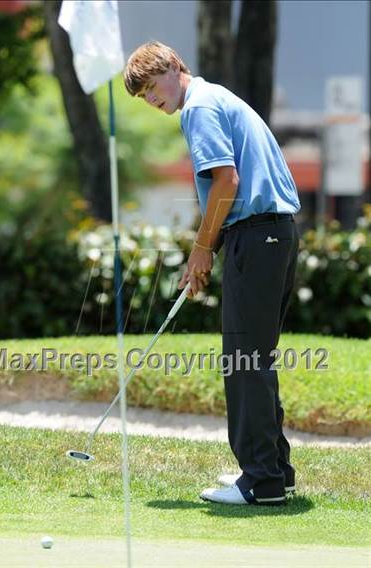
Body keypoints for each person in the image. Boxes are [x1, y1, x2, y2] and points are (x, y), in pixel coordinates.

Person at [124, 41, 301, 506]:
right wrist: (208, 249)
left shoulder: (197, 108)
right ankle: (274, 471)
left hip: (258, 238)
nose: (150, 99)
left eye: (150, 86)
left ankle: (261, 480)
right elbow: (235, 185)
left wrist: (203, 247)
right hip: (274, 235)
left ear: (171, 67)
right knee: (255, 357)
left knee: (244, 361)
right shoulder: (217, 96)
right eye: (142, 96)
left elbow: (226, 181)